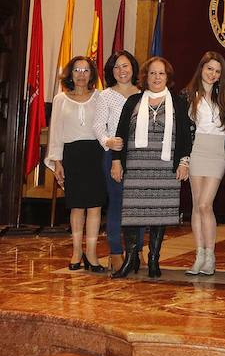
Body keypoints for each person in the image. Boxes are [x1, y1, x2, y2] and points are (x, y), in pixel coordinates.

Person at [111, 57, 193, 279]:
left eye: (161, 74)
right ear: (145, 77)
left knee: (160, 213)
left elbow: (185, 136)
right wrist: (116, 161)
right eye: (153, 73)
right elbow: (120, 133)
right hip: (136, 168)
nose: (157, 78)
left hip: (165, 168)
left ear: (168, 78)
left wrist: (184, 162)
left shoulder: (178, 103)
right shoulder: (133, 102)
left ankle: (154, 260)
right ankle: (131, 259)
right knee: (131, 213)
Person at [46, 57, 106, 273]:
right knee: (77, 206)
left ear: (92, 74)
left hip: (96, 155)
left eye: (86, 70)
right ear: (70, 73)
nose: (82, 74)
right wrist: (57, 160)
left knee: (95, 206)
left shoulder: (100, 97)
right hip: (72, 156)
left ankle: (91, 253)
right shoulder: (60, 99)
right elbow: (56, 131)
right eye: (77, 70)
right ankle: (76, 252)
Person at [183, 52, 225, 276]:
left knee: (205, 204)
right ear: (201, 68)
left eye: (217, 70)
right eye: (209, 69)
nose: (212, 74)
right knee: (196, 205)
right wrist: (183, 159)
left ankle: (210, 255)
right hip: (196, 150)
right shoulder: (187, 95)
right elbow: (184, 131)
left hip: (216, 153)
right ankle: (199, 255)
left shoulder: (224, 97)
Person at [93, 50, 141, 271]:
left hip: (139, 156)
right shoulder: (105, 95)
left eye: (125, 66)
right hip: (114, 155)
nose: (122, 71)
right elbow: (98, 126)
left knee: (137, 205)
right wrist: (108, 142)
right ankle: (115, 252)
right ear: (112, 72)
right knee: (117, 203)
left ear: (133, 67)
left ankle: (137, 250)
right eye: (116, 67)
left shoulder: (144, 94)